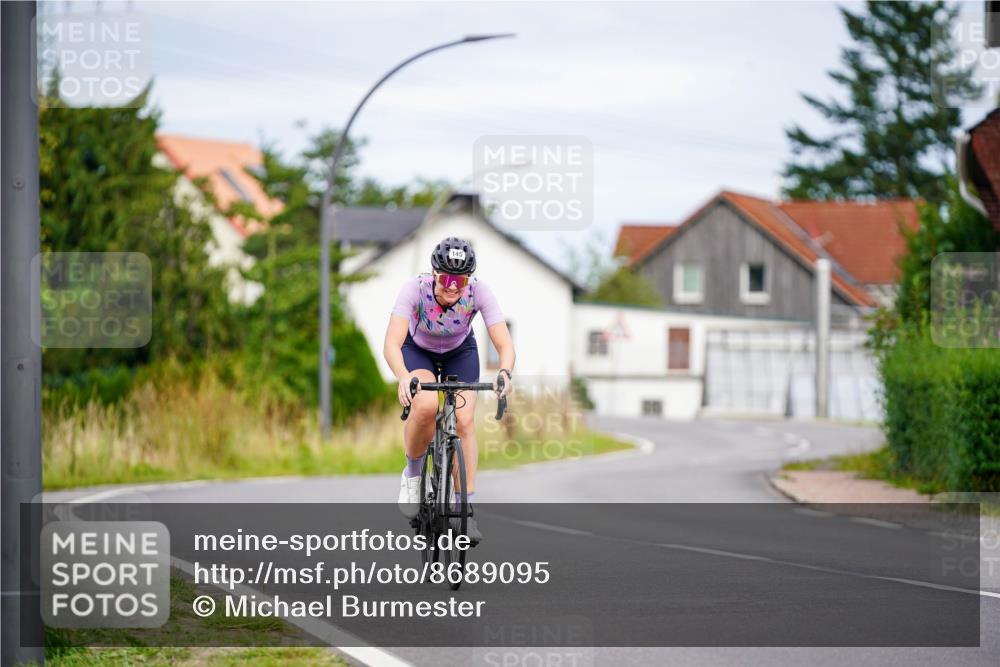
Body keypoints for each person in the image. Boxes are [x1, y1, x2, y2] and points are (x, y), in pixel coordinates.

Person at [383, 237, 514, 544]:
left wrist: (505, 372)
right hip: (418, 350)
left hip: (460, 351)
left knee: (465, 421)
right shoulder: (414, 289)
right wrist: (403, 376)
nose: (454, 287)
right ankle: (412, 475)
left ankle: (464, 512)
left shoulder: (479, 292)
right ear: (434, 274)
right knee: (427, 405)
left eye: (461, 280)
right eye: (447, 279)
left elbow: (505, 344)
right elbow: (391, 343)